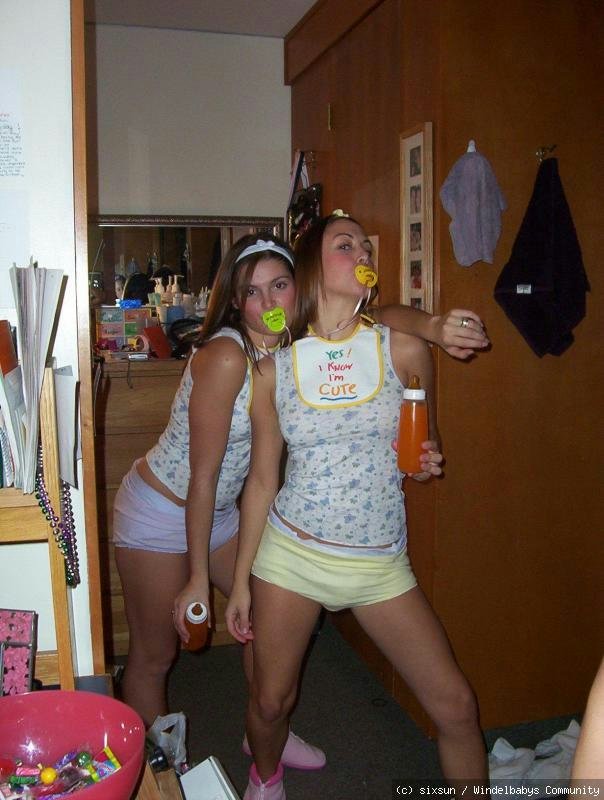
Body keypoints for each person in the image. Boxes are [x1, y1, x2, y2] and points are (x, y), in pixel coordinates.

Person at [114, 231, 486, 751]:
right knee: (155, 654)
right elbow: (204, 477)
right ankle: (153, 768)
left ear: (300, 287)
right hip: (164, 508)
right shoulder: (229, 357)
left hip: (223, 512)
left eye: (279, 285)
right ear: (236, 301)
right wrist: (197, 578)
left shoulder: (292, 346)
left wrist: (429, 325)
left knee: (260, 628)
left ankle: (269, 729)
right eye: (252, 291)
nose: (268, 301)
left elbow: (379, 317)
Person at [225, 213, 488, 799]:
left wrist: (426, 459)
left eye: (366, 246)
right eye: (346, 245)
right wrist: (240, 581)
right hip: (292, 554)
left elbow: (423, 442)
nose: (363, 253)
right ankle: (265, 780)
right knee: (270, 701)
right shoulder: (272, 370)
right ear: (313, 267)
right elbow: (262, 481)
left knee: (456, 705)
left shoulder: (403, 346)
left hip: (378, 563)